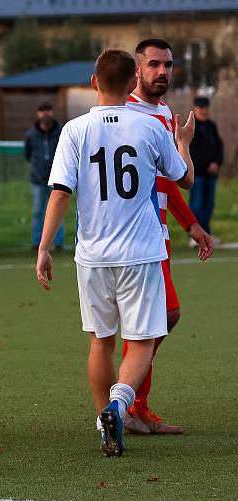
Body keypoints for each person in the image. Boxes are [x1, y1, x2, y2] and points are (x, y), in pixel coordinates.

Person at [36, 48, 195, 457]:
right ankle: (118, 406)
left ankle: (103, 420)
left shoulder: (74, 130)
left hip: (92, 255)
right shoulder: (149, 127)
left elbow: (59, 195)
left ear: (93, 83)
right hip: (141, 252)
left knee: (100, 342)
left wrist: (44, 247)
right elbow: (186, 178)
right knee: (142, 342)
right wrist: (184, 144)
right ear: (132, 84)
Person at [123, 39, 214, 435]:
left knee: (156, 321)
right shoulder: (125, 112)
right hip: (133, 235)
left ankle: (131, 403)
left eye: (169, 65)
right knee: (159, 318)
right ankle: (128, 402)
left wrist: (190, 224)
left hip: (156, 232)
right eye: (155, 65)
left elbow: (169, 177)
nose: (163, 72)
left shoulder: (161, 113)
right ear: (138, 70)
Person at [25, 103, 63, 251]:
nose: (45, 114)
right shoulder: (31, 135)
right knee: (38, 212)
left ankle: (58, 244)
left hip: (56, 179)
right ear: (38, 114)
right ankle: (37, 243)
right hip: (38, 179)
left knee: (57, 210)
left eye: (48, 110)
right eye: (42, 111)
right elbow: (28, 155)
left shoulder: (61, 132)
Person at [189, 96, 223, 239]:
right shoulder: (191, 127)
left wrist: (217, 162)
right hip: (198, 174)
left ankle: (206, 233)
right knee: (197, 204)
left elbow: (219, 146)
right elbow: (192, 151)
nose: (204, 110)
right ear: (195, 109)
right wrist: (207, 164)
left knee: (208, 205)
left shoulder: (211, 126)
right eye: (201, 108)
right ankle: (194, 236)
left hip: (211, 175)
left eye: (206, 107)